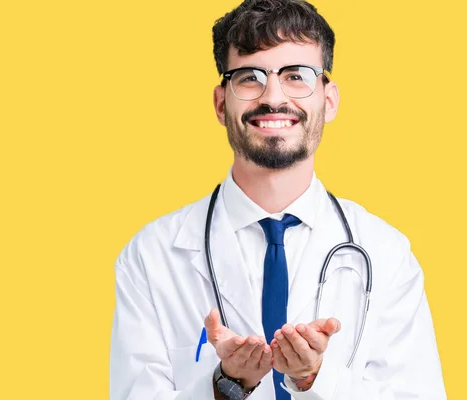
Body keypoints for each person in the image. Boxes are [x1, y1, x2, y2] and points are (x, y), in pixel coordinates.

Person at [109, 0, 446, 398]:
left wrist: (315, 378)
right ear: (221, 103)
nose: (273, 96)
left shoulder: (387, 254)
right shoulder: (151, 255)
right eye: (249, 77)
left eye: (296, 76)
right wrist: (225, 386)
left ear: (329, 98)